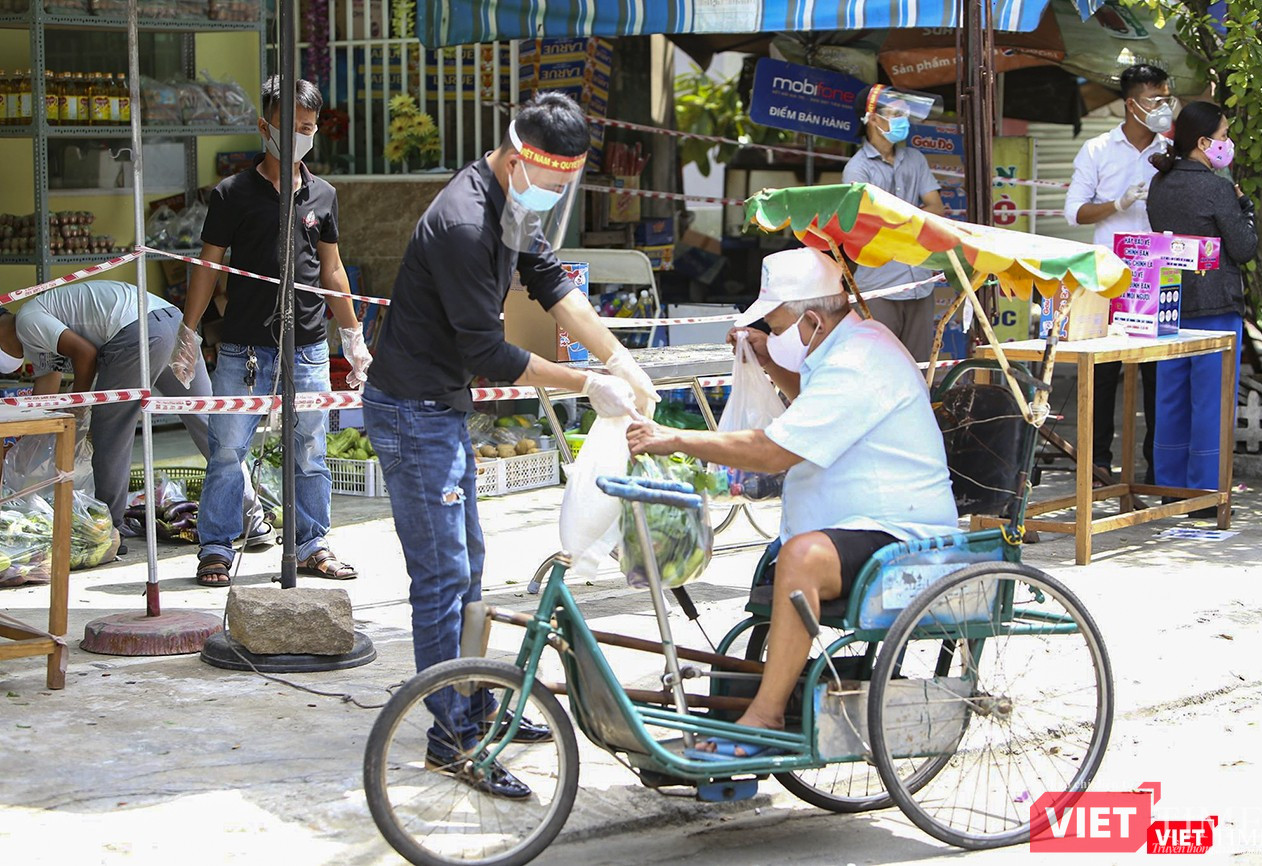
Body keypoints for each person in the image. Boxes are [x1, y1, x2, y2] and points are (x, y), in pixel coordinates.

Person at [362, 92, 658, 797]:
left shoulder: (513, 203)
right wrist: (586, 384)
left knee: (467, 570)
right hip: (412, 412)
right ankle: (454, 738)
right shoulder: (464, 221)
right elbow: (490, 353)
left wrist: (620, 358)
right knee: (441, 580)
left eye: (565, 185)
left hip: (441, 409)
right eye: (552, 181)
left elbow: (552, 284)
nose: (554, 195)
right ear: (520, 156)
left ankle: (474, 702)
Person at [627, 247, 959, 756]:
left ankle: (767, 712)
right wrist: (767, 360)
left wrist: (671, 437)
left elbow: (771, 452)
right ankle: (761, 695)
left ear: (810, 320)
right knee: (784, 553)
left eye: (777, 327)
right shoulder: (845, 345)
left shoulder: (858, 359)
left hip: (901, 534)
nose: (773, 335)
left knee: (802, 556)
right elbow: (816, 406)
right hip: (860, 522)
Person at [169, 76, 371, 587]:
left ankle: (311, 544)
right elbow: (208, 266)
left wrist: (352, 337)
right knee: (228, 450)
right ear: (265, 127)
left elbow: (333, 271)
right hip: (243, 350)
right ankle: (215, 547)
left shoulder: (323, 196)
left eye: (306, 129)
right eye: (288, 128)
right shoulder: (232, 193)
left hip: (307, 349)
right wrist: (188, 332)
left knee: (310, 452)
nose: (298, 137)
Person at [0, 281, 267, 550]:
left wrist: (81, 404)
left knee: (110, 432)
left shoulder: (28, 319)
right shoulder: (33, 327)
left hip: (137, 333)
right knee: (210, 425)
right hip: (173, 323)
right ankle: (252, 518)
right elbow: (48, 386)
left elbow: (86, 354)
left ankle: (108, 532)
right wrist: (29, 440)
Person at [1064, 63, 1175, 483]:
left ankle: (1156, 470)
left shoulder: (1171, 150)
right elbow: (1072, 211)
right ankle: (1097, 468)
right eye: (1155, 99)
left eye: (1167, 98)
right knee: (1103, 372)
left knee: (1157, 372)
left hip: (1158, 273)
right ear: (1131, 104)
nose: (1164, 106)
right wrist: (1117, 203)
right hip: (1107, 276)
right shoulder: (1098, 150)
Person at [1146, 100, 1256, 508]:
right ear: (1204, 142)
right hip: (1217, 307)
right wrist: (1246, 210)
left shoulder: (1161, 183)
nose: (1228, 145)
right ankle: (1206, 494)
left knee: (1171, 398)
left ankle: (1170, 490)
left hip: (1170, 303)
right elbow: (1243, 249)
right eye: (1225, 136)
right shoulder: (1218, 188)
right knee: (1211, 402)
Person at [843, 84, 945, 362]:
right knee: (880, 366)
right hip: (880, 286)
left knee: (920, 368)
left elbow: (937, 208)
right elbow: (867, 225)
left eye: (905, 113)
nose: (903, 120)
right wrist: (916, 217)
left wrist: (896, 219)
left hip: (920, 282)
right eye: (895, 113)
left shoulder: (915, 159)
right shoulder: (857, 168)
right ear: (873, 119)